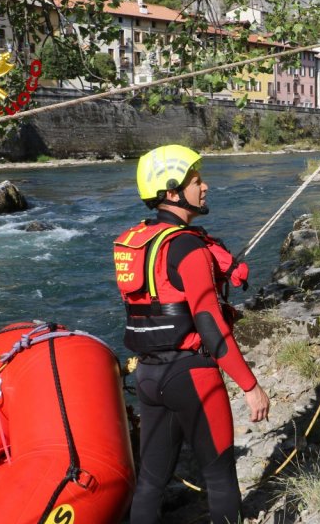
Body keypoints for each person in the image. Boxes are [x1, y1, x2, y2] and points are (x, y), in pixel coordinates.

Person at [114, 145, 270, 524]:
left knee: (151, 482)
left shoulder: (135, 241)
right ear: (172, 192)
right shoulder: (188, 247)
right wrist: (250, 386)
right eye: (196, 181)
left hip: (148, 376)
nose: (205, 187)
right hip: (192, 377)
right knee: (219, 477)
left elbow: (159, 297)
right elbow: (211, 327)